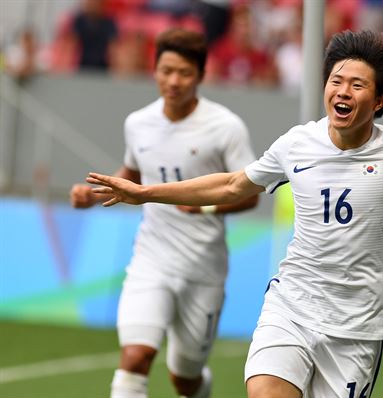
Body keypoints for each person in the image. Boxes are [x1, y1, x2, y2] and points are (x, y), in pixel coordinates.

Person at [85, 30, 383, 398]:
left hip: (357, 328)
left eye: (357, 85)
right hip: (292, 307)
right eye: (336, 80)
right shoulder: (297, 143)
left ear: (380, 100)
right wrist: (145, 193)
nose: (342, 91)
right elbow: (234, 185)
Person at [69, 28, 259, 398]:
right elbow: (134, 174)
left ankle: (197, 386)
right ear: (154, 70)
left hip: (203, 269)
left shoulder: (225, 127)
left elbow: (250, 195)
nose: (173, 81)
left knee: (184, 379)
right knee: (136, 357)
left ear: (201, 76)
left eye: (184, 73)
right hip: (150, 260)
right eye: (166, 70)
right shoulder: (138, 123)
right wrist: (93, 195)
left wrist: (204, 205)